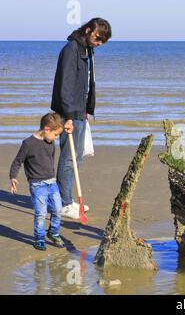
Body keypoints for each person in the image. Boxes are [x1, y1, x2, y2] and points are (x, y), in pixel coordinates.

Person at [51, 17, 112, 219]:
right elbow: (65, 86)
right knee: (68, 157)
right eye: (97, 38)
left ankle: (67, 199)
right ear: (88, 31)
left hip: (79, 111)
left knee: (77, 156)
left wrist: (88, 109)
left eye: (102, 41)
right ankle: (64, 203)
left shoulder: (87, 50)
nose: (99, 43)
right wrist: (67, 116)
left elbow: (85, 84)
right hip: (69, 112)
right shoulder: (71, 49)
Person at [9, 113, 70, 251]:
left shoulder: (50, 142)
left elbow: (50, 159)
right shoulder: (28, 143)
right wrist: (13, 177)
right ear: (47, 129)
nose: (56, 138)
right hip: (37, 185)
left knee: (58, 210)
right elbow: (17, 162)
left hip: (52, 182)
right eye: (55, 134)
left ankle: (53, 233)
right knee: (41, 213)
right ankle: (39, 238)